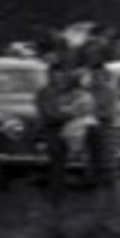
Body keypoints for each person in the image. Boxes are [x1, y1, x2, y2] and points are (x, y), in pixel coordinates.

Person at [36, 63, 74, 198]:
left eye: (60, 76)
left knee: (62, 162)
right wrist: (68, 116)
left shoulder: (61, 92)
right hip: (50, 130)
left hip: (63, 130)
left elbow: (68, 106)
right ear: (49, 75)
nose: (58, 78)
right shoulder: (44, 92)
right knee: (56, 161)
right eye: (55, 75)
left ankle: (60, 192)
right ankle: (55, 194)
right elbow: (48, 114)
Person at [85, 63, 119, 192]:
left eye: (100, 75)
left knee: (107, 156)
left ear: (104, 76)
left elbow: (110, 111)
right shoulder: (88, 90)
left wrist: (96, 113)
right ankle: (92, 179)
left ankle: (108, 181)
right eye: (95, 75)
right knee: (91, 154)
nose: (97, 78)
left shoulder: (110, 91)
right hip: (89, 127)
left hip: (104, 126)